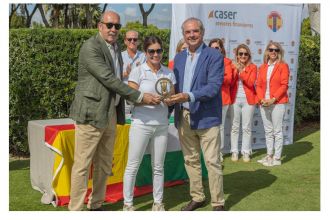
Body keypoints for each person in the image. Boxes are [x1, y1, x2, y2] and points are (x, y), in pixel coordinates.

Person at [68, 11, 160, 211]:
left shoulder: (116, 47)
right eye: (109, 25)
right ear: (100, 26)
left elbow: (118, 78)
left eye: (117, 26)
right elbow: (109, 79)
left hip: (110, 113)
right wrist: (139, 97)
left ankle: (96, 204)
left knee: (104, 164)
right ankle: (75, 209)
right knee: (83, 165)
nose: (113, 30)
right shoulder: (90, 47)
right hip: (91, 114)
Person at [165, 17, 225, 211]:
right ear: (183, 35)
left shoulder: (214, 56)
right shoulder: (180, 58)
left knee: (212, 161)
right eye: (188, 32)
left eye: (195, 31)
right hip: (184, 117)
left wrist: (187, 96)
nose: (191, 35)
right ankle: (197, 197)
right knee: (190, 160)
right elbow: (175, 86)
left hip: (207, 117)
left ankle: (218, 203)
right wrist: (168, 98)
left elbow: (214, 87)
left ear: (202, 32)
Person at [122, 36, 176, 211]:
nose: (155, 54)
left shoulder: (168, 73)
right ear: (145, 52)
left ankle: (158, 203)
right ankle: (128, 205)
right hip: (141, 124)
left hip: (161, 124)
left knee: (158, 166)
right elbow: (130, 98)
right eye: (151, 51)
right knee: (133, 165)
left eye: (158, 50)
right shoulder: (138, 71)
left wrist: (169, 101)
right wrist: (147, 100)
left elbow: (172, 98)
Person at [256, 42, 289, 167]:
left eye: (276, 50)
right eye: (271, 50)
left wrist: (273, 99)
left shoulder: (283, 66)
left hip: (278, 103)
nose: (273, 52)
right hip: (264, 103)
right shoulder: (263, 67)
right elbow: (258, 85)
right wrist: (261, 99)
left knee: (277, 131)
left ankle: (277, 158)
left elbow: (284, 85)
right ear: (267, 52)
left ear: (279, 52)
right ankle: (269, 155)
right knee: (268, 131)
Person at [208, 38, 235, 162]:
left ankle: (219, 152)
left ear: (221, 49)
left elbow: (228, 79)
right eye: (212, 48)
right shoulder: (206, 61)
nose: (214, 50)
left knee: (220, 127)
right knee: (208, 128)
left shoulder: (227, 62)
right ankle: (210, 152)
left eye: (217, 48)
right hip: (208, 98)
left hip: (223, 99)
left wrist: (214, 77)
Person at [230, 44, 257, 162]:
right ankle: (234, 152)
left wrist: (241, 71)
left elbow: (251, 83)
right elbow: (230, 82)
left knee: (246, 127)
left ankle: (246, 152)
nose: (243, 56)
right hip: (234, 99)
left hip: (248, 100)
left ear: (249, 55)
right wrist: (236, 69)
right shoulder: (232, 66)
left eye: (245, 54)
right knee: (234, 127)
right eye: (240, 53)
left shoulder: (253, 67)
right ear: (237, 55)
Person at [121, 30, 146, 114]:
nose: (132, 41)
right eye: (129, 39)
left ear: (138, 41)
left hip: (140, 96)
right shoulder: (119, 56)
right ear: (125, 41)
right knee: (123, 124)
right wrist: (126, 74)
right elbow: (113, 76)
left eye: (135, 39)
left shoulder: (144, 56)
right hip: (124, 96)